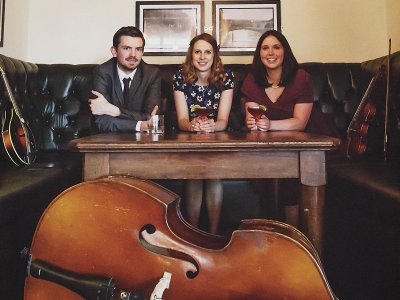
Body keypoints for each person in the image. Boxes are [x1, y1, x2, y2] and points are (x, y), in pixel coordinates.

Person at [241, 30, 315, 228]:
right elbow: (252, 116)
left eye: (276, 47)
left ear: (285, 51)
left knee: (290, 175)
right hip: (267, 143)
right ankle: (269, 233)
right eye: (265, 48)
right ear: (259, 53)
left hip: (302, 139)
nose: (270, 53)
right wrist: (253, 123)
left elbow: (300, 122)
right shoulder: (252, 79)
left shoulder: (302, 78)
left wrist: (270, 125)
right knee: (264, 168)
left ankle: (295, 235)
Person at [173, 33, 234, 234]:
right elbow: (182, 119)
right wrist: (191, 126)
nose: (202, 57)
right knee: (194, 173)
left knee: (214, 173)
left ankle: (214, 233)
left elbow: (223, 121)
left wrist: (211, 126)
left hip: (216, 138)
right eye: (197, 52)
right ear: (191, 55)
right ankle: (194, 232)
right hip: (190, 138)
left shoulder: (226, 76)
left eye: (207, 52)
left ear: (215, 55)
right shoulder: (180, 77)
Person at [89, 26, 161, 132]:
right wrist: (139, 125)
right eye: (127, 48)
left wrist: (115, 111)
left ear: (143, 52)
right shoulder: (102, 72)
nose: (133, 55)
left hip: (143, 142)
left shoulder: (152, 74)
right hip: (108, 141)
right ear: (114, 51)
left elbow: (151, 118)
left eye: (138, 49)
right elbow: (102, 121)